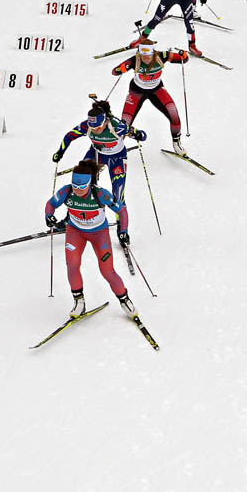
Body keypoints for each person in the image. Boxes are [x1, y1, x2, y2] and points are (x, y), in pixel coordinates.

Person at [44, 159, 138, 319]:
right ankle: (79, 302)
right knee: (72, 265)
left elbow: (121, 210)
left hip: (99, 234)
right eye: (75, 185)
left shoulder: (100, 194)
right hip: (75, 232)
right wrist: (49, 216)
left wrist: (123, 231)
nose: (78, 190)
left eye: (82, 186)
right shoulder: (66, 191)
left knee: (107, 271)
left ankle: (124, 299)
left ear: (89, 183)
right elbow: (50, 204)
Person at [52, 100, 146, 204]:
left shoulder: (118, 126)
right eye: (92, 127)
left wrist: (138, 135)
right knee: (82, 182)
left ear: (105, 121)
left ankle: (120, 218)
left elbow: (142, 136)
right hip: (96, 154)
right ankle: (84, 210)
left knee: (118, 194)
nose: (95, 130)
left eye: (98, 127)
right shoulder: (86, 125)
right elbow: (69, 136)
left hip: (117, 158)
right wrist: (60, 152)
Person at [112, 38, 191, 155]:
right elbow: (114, 71)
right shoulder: (135, 60)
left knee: (173, 114)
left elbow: (183, 59)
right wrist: (121, 69)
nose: (146, 59)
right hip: (136, 92)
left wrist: (184, 56)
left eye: (148, 56)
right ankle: (114, 147)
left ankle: (176, 142)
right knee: (125, 122)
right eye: (143, 56)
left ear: (153, 53)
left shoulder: (162, 55)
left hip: (156, 90)